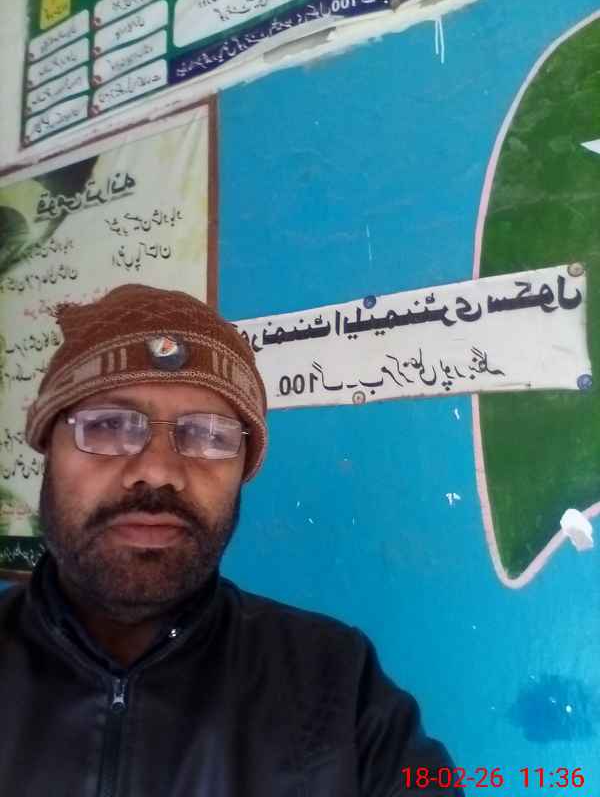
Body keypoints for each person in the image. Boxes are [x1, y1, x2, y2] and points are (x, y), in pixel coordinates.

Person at [0, 284, 462, 796]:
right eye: (107, 425)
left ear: (243, 469)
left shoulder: (338, 683)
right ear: (48, 446)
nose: (158, 470)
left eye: (207, 434)